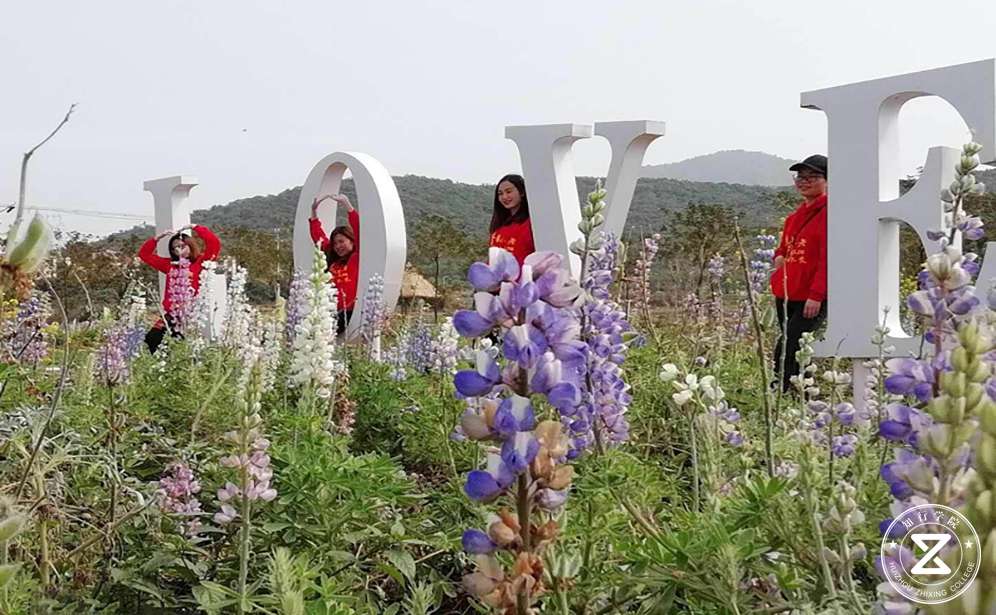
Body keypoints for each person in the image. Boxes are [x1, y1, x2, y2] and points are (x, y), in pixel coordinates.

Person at [770, 154, 828, 392]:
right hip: (786, 291)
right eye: (801, 177)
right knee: (790, 343)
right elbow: (783, 248)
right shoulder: (795, 217)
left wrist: (817, 294)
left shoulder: (830, 214)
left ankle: (785, 391)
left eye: (813, 176)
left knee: (790, 343)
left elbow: (828, 258)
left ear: (827, 180)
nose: (804, 181)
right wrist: (778, 258)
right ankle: (793, 391)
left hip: (810, 295)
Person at [138, 224, 221, 353]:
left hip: (191, 313)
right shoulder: (170, 265)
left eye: (182, 246)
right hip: (172, 313)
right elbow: (144, 255)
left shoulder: (201, 262)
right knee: (152, 339)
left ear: (190, 245)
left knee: (179, 345)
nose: (178, 250)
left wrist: (196, 227)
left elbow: (214, 244)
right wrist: (157, 238)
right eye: (174, 248)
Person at [309, 193, 359, 335]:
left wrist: (348, 206)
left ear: (351, 240)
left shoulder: (356, 257)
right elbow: (318, 237)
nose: (338, 246)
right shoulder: (333, 260)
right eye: (335, 243)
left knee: (320, 333)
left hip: (348, 312)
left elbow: (359, 230)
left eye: (342, 241)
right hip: (329, 310)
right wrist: (313, 212)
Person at [489, 174, 535, 265]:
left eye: (509, 191)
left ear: (522, 192)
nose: (504, 197)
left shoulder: (531, 223)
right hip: (497, 278)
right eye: (500, 194)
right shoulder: (499, 225)